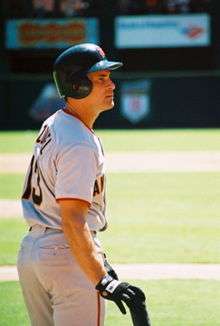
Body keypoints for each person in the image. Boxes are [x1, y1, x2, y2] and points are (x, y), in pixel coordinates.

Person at [17, 43, 147, 326]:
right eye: (101, 78)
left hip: (32, 252)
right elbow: (73, 221)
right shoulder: (79, 142)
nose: (111, 84)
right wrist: (101, 278)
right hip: (66, 254)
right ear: (77, 85)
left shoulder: (55, 122)